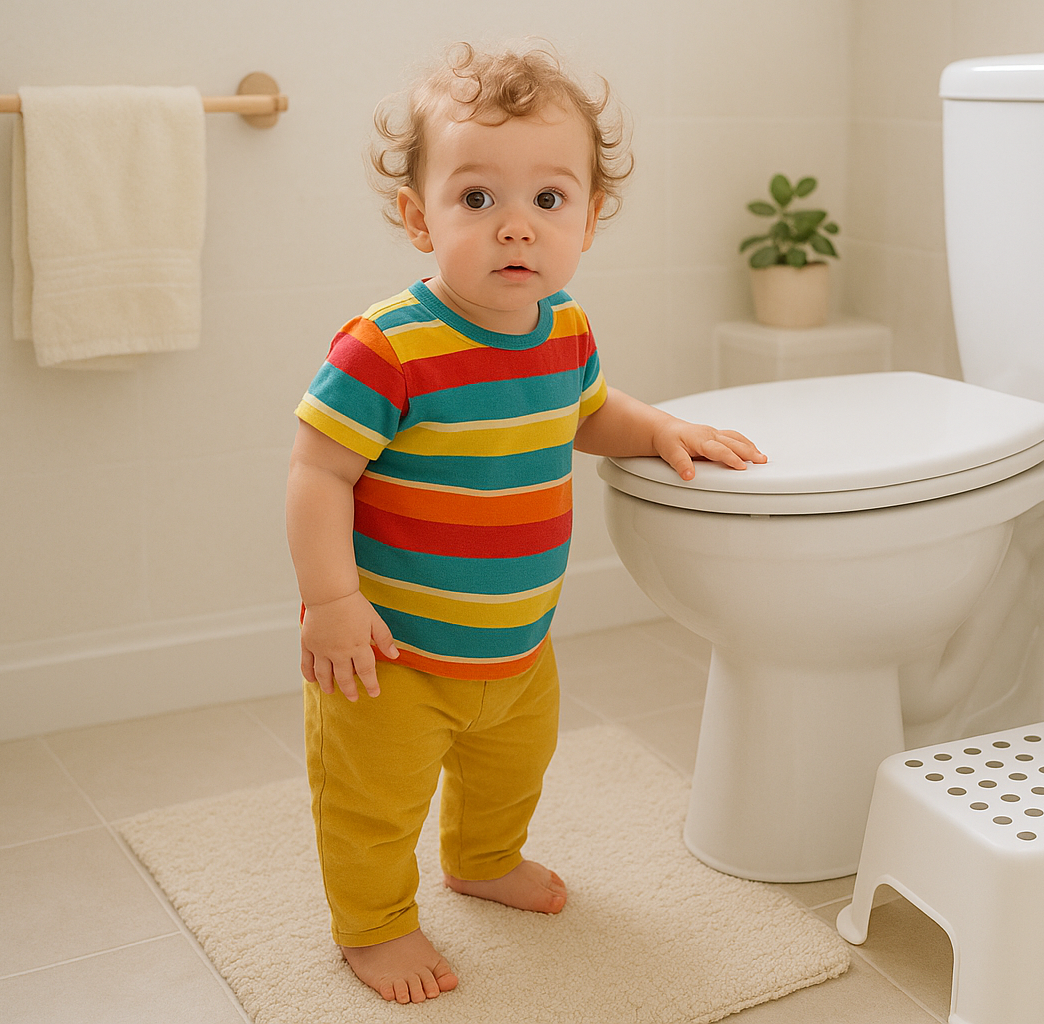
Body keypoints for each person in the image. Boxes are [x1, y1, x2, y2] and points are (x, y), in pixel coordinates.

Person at [284, 43, 765, 1004]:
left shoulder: (566, 328)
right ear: (420, 216)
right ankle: (375, 926)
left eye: (549, 200)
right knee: (373, 807)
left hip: (516, 645)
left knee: (512, 767)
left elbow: (586, 414)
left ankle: (483, 859)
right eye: (476, 200)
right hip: (393, 654)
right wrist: (330, 601)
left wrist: (661, 426)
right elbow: (315, 473)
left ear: (588, 215)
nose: (516, 227)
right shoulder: (388, 348)